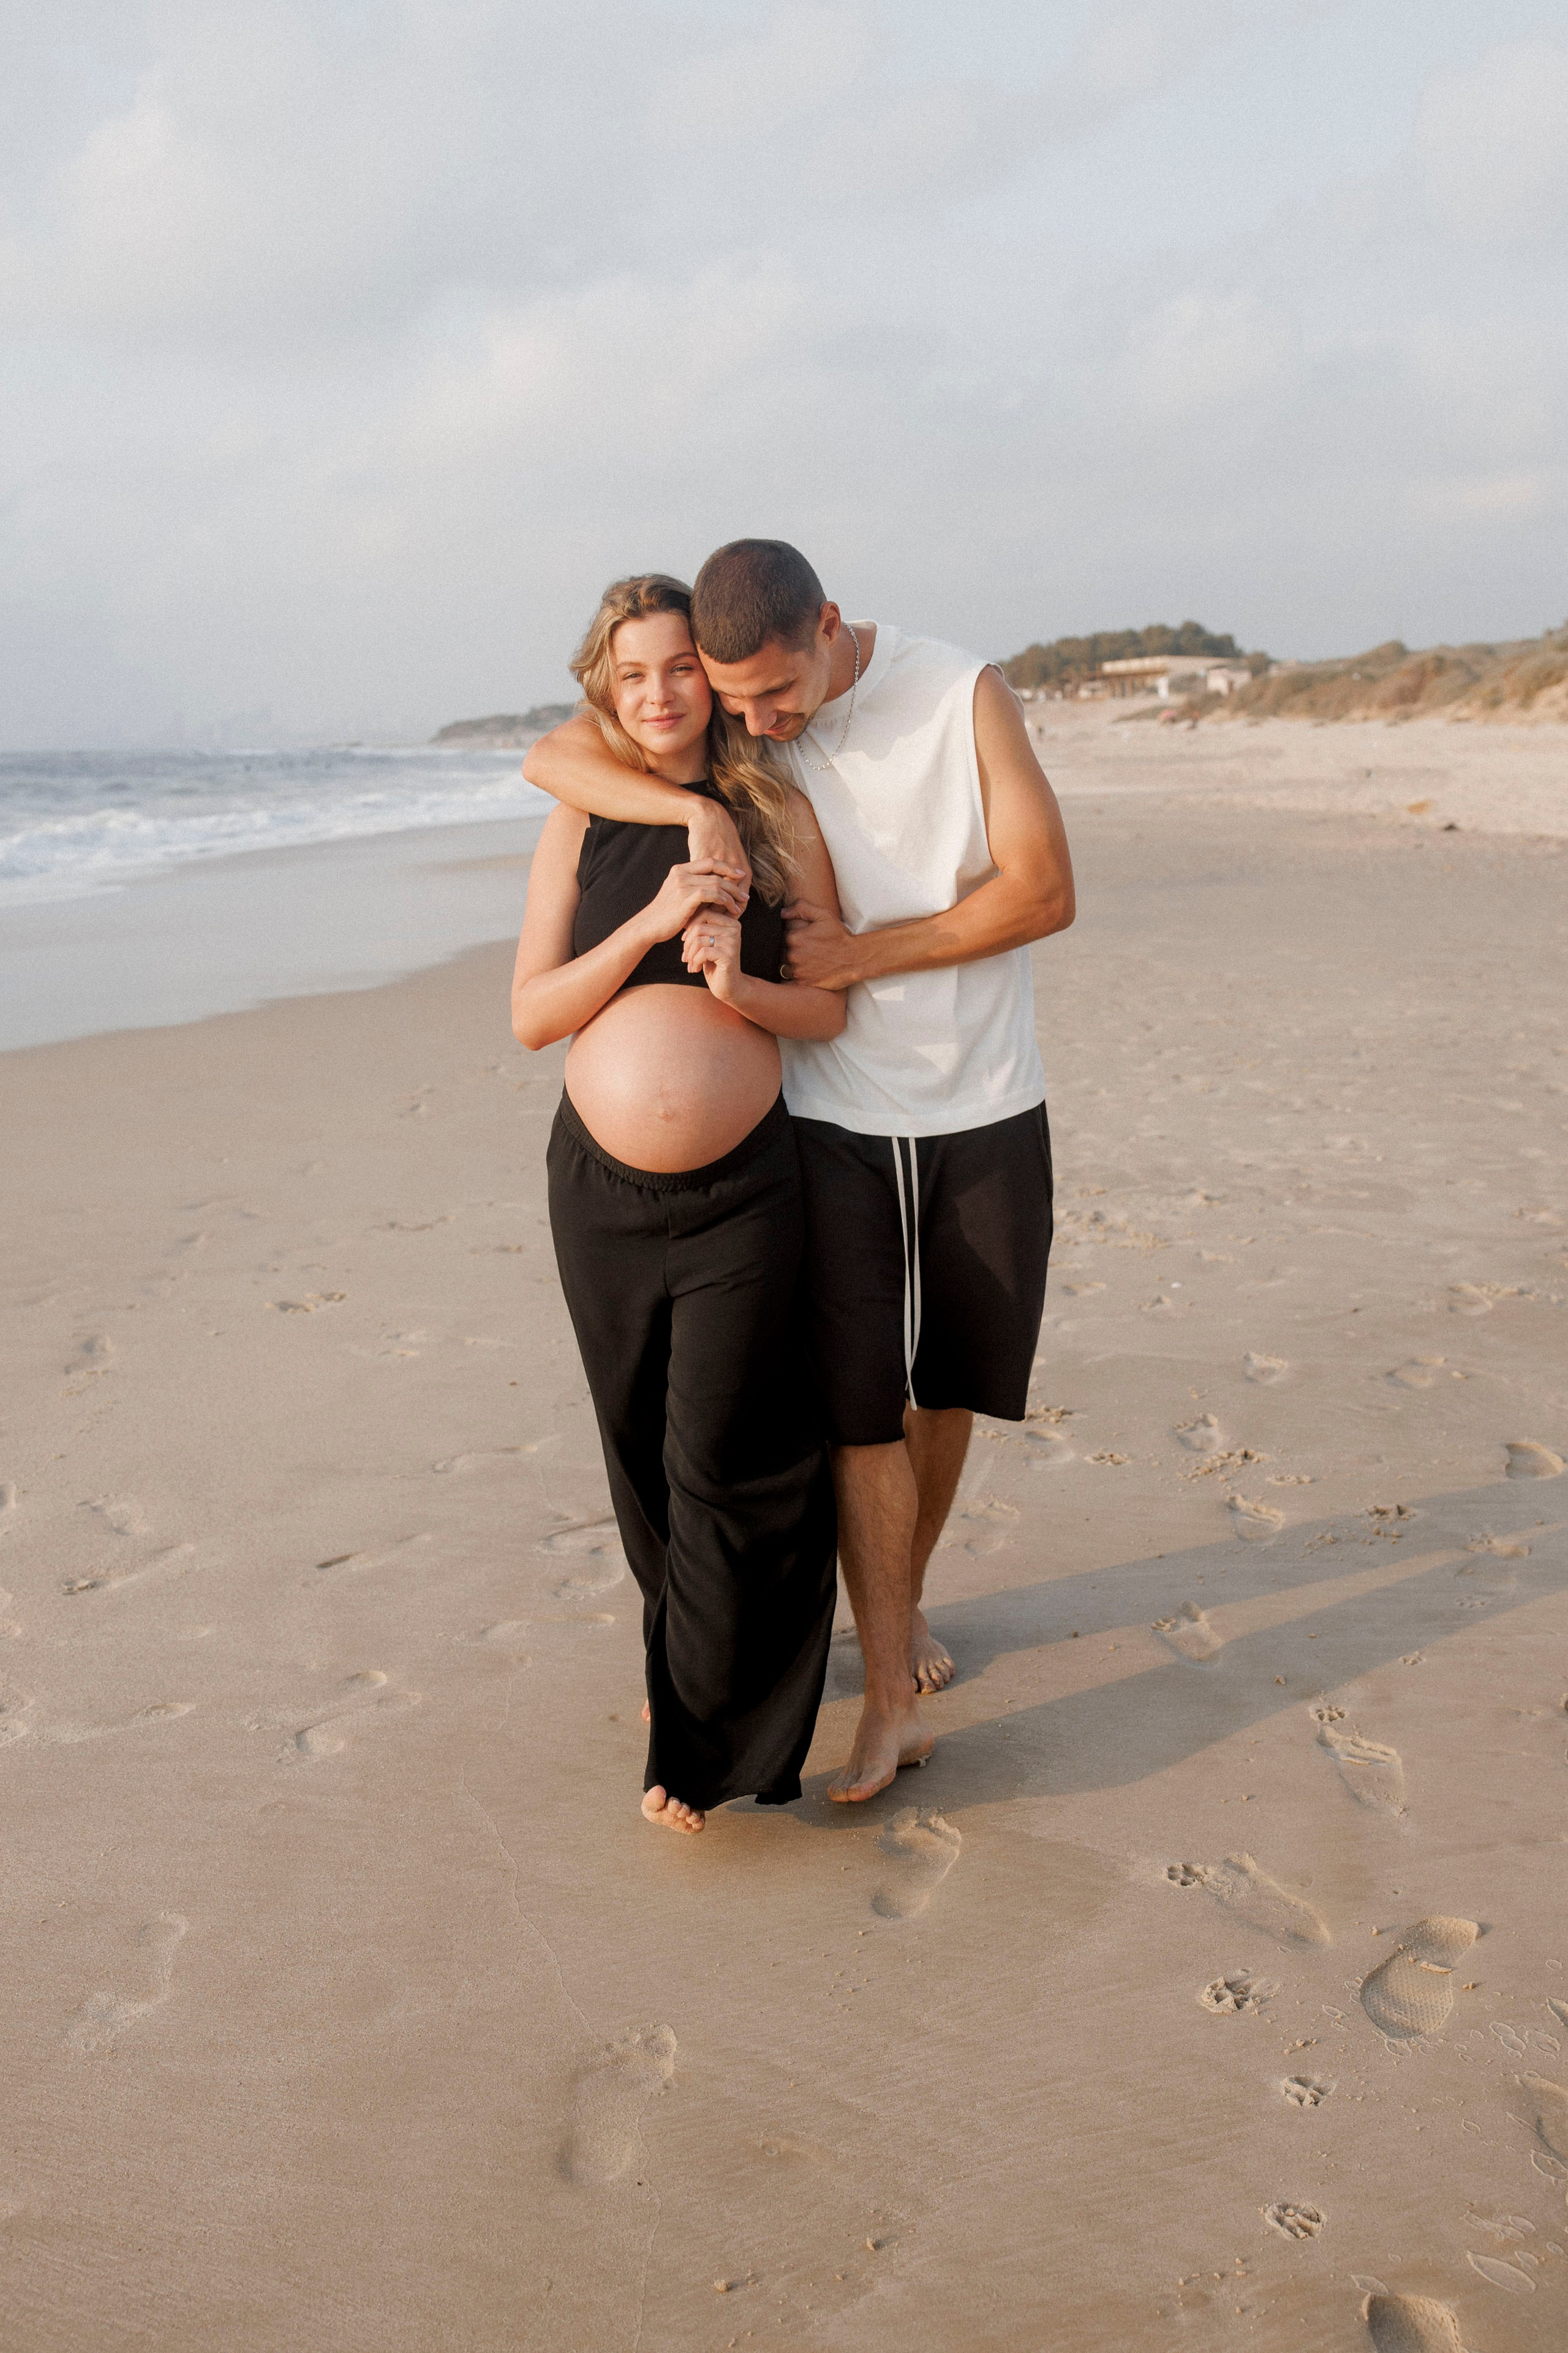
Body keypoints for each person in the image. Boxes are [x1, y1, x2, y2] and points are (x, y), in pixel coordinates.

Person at [524, 541, 1076, 1803]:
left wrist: (862, 956)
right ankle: (878, 1670)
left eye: (775, 696)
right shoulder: (726, 730)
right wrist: (694, 808)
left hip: (983, 1091)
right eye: (741, 702)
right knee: (852, 1401)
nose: (760, 721)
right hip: (829, 1117)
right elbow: (564, 745)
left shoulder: (954, 693)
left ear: (827, 626)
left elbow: (1043, 889)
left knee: (955, 1382)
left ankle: (901, 1606)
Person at [511, 573, 851, 1835]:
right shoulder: (581, 814)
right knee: (638, 1450)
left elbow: (828, 1003)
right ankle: (693, 1659)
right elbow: (532, 1013)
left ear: (710, 674)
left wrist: (737, 990)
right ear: (608, 685)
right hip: (595, 1192)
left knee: (722, 1452)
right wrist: (649, 919)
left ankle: (703, 1742)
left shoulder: (776, 815)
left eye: (677, 668)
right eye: (632, 673)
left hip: (743, 1188)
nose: (657, 693)